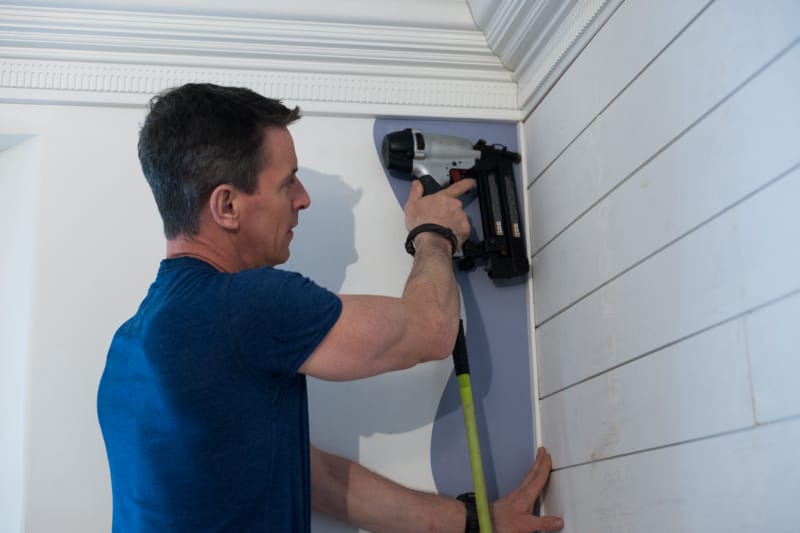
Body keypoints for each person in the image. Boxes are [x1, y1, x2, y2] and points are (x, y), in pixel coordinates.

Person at [97, 82, 564, 533]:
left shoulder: (128, 346)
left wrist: (476, 522)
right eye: (287, 183)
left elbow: (318, 479)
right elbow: (432, 329)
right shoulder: (244, 305)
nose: (303, 199)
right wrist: (433, 235)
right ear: (227, 206)